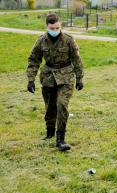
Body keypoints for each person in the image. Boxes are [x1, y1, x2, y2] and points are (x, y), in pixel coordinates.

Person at [26, 13, 84, 151]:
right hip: (48, 77)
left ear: (60, 26)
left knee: (62, 104)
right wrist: (30, 79)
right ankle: (50, 132)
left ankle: (60, 139)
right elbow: (34, 60)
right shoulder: (41, 41)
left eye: (57, 27)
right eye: (52, 28)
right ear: (47, 27)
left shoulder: (69, 40)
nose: (55, 30)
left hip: (66, 76)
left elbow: (77, 60)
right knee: (50, 106)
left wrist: (80, 78)